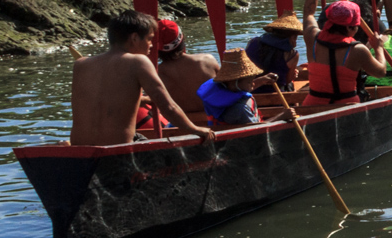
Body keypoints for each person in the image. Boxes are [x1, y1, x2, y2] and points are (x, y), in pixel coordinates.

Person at [70, 9, 211, 147]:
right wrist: (196, 129)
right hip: (118, 151)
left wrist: (144, 99)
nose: (151, 45)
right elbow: (168, 107)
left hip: (80, 151)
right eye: (150, 39)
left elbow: (106, 97)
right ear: (135, 38)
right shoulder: (138, 62)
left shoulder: (81, 64)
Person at [304, 0, 392, 106]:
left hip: (312, 106)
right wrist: (378, 48)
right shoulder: (358, 50)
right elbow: (380, 72)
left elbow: (308, 12)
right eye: (357, 26)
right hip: (347, 108)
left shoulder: (312, 37)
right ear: (349, 27)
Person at [153, 19, 219, 116]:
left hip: (182, 126)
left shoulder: (156, 74)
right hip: (216, 120)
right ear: (182, 39)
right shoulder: (207, 60)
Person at [196, 48, 269, 127]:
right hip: (243, 137)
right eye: (249, 82)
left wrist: (262, 80)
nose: (253, 83)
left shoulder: (223, 91)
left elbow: (241, 88)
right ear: (233, 83)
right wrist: (282, 116)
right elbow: (258, 129)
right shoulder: (240, 109)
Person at [244, 13, 302, 83]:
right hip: (275, 90)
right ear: (293, 37)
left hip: (251, 88)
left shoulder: (253, 42)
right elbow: (288, 80)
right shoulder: (293, 54)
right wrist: (293, 76)